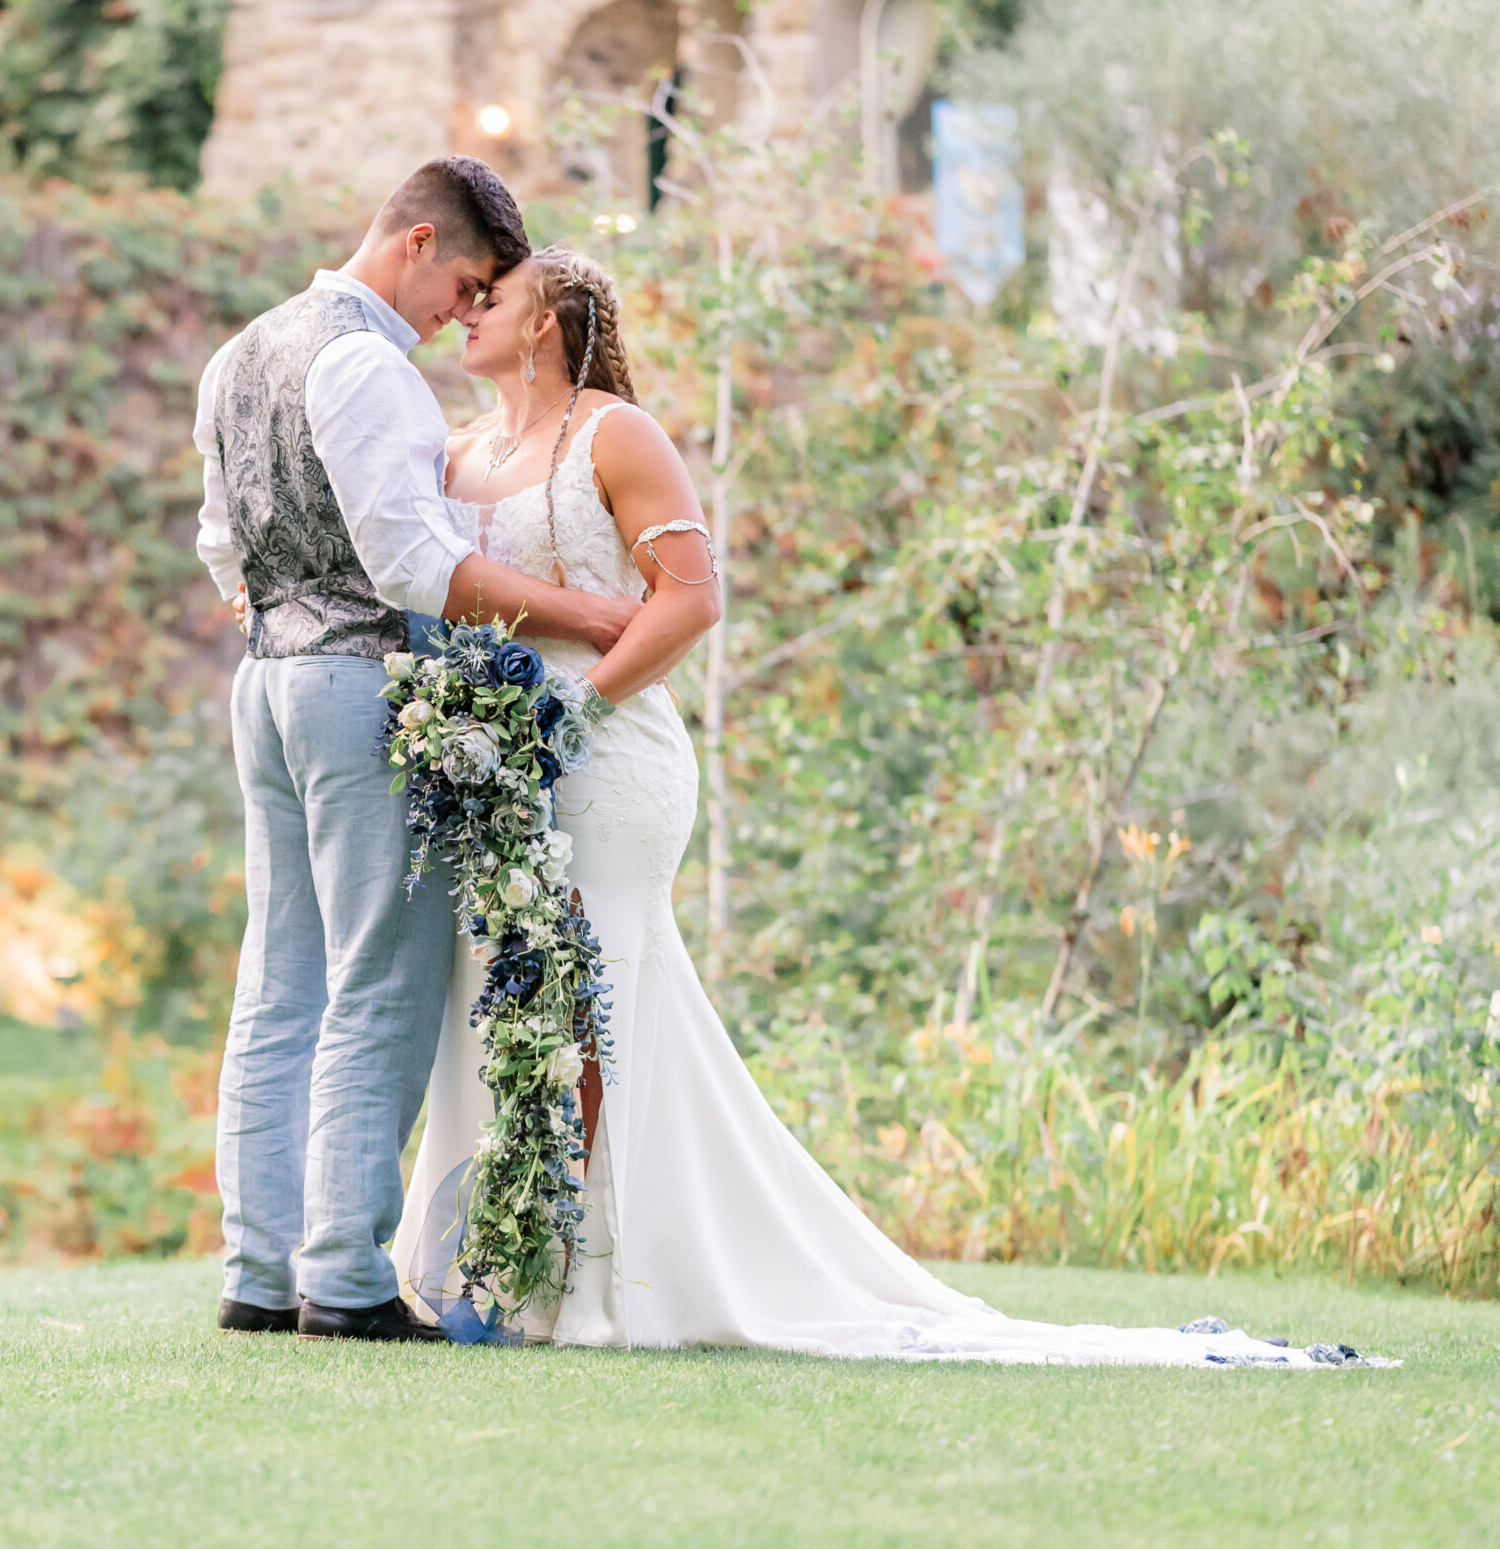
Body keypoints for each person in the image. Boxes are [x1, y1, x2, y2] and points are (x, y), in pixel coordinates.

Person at [390, 246, 1366, 1368]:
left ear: (551, 318)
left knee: (588, 999)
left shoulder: (617, 434)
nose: (464, 315)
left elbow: (692, 600)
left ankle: (589, 1278)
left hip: (609, 762)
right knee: (494, 994)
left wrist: (574, 712)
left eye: (491, 299)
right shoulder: (457, 454)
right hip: (498, 769)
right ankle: (485, 1263)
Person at [193, 159, 638, 1343]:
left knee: (276, 977)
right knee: (377, 979)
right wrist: (580, 614)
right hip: (360, 685)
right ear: (420, 239)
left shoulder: (239, 355)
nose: (464, 311)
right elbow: (407, 564)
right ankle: (341, 1275)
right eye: (469, 280)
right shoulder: (367, 365)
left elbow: (217, 540)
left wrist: (277, 615)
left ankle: (255, 1267)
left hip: (266, 684)